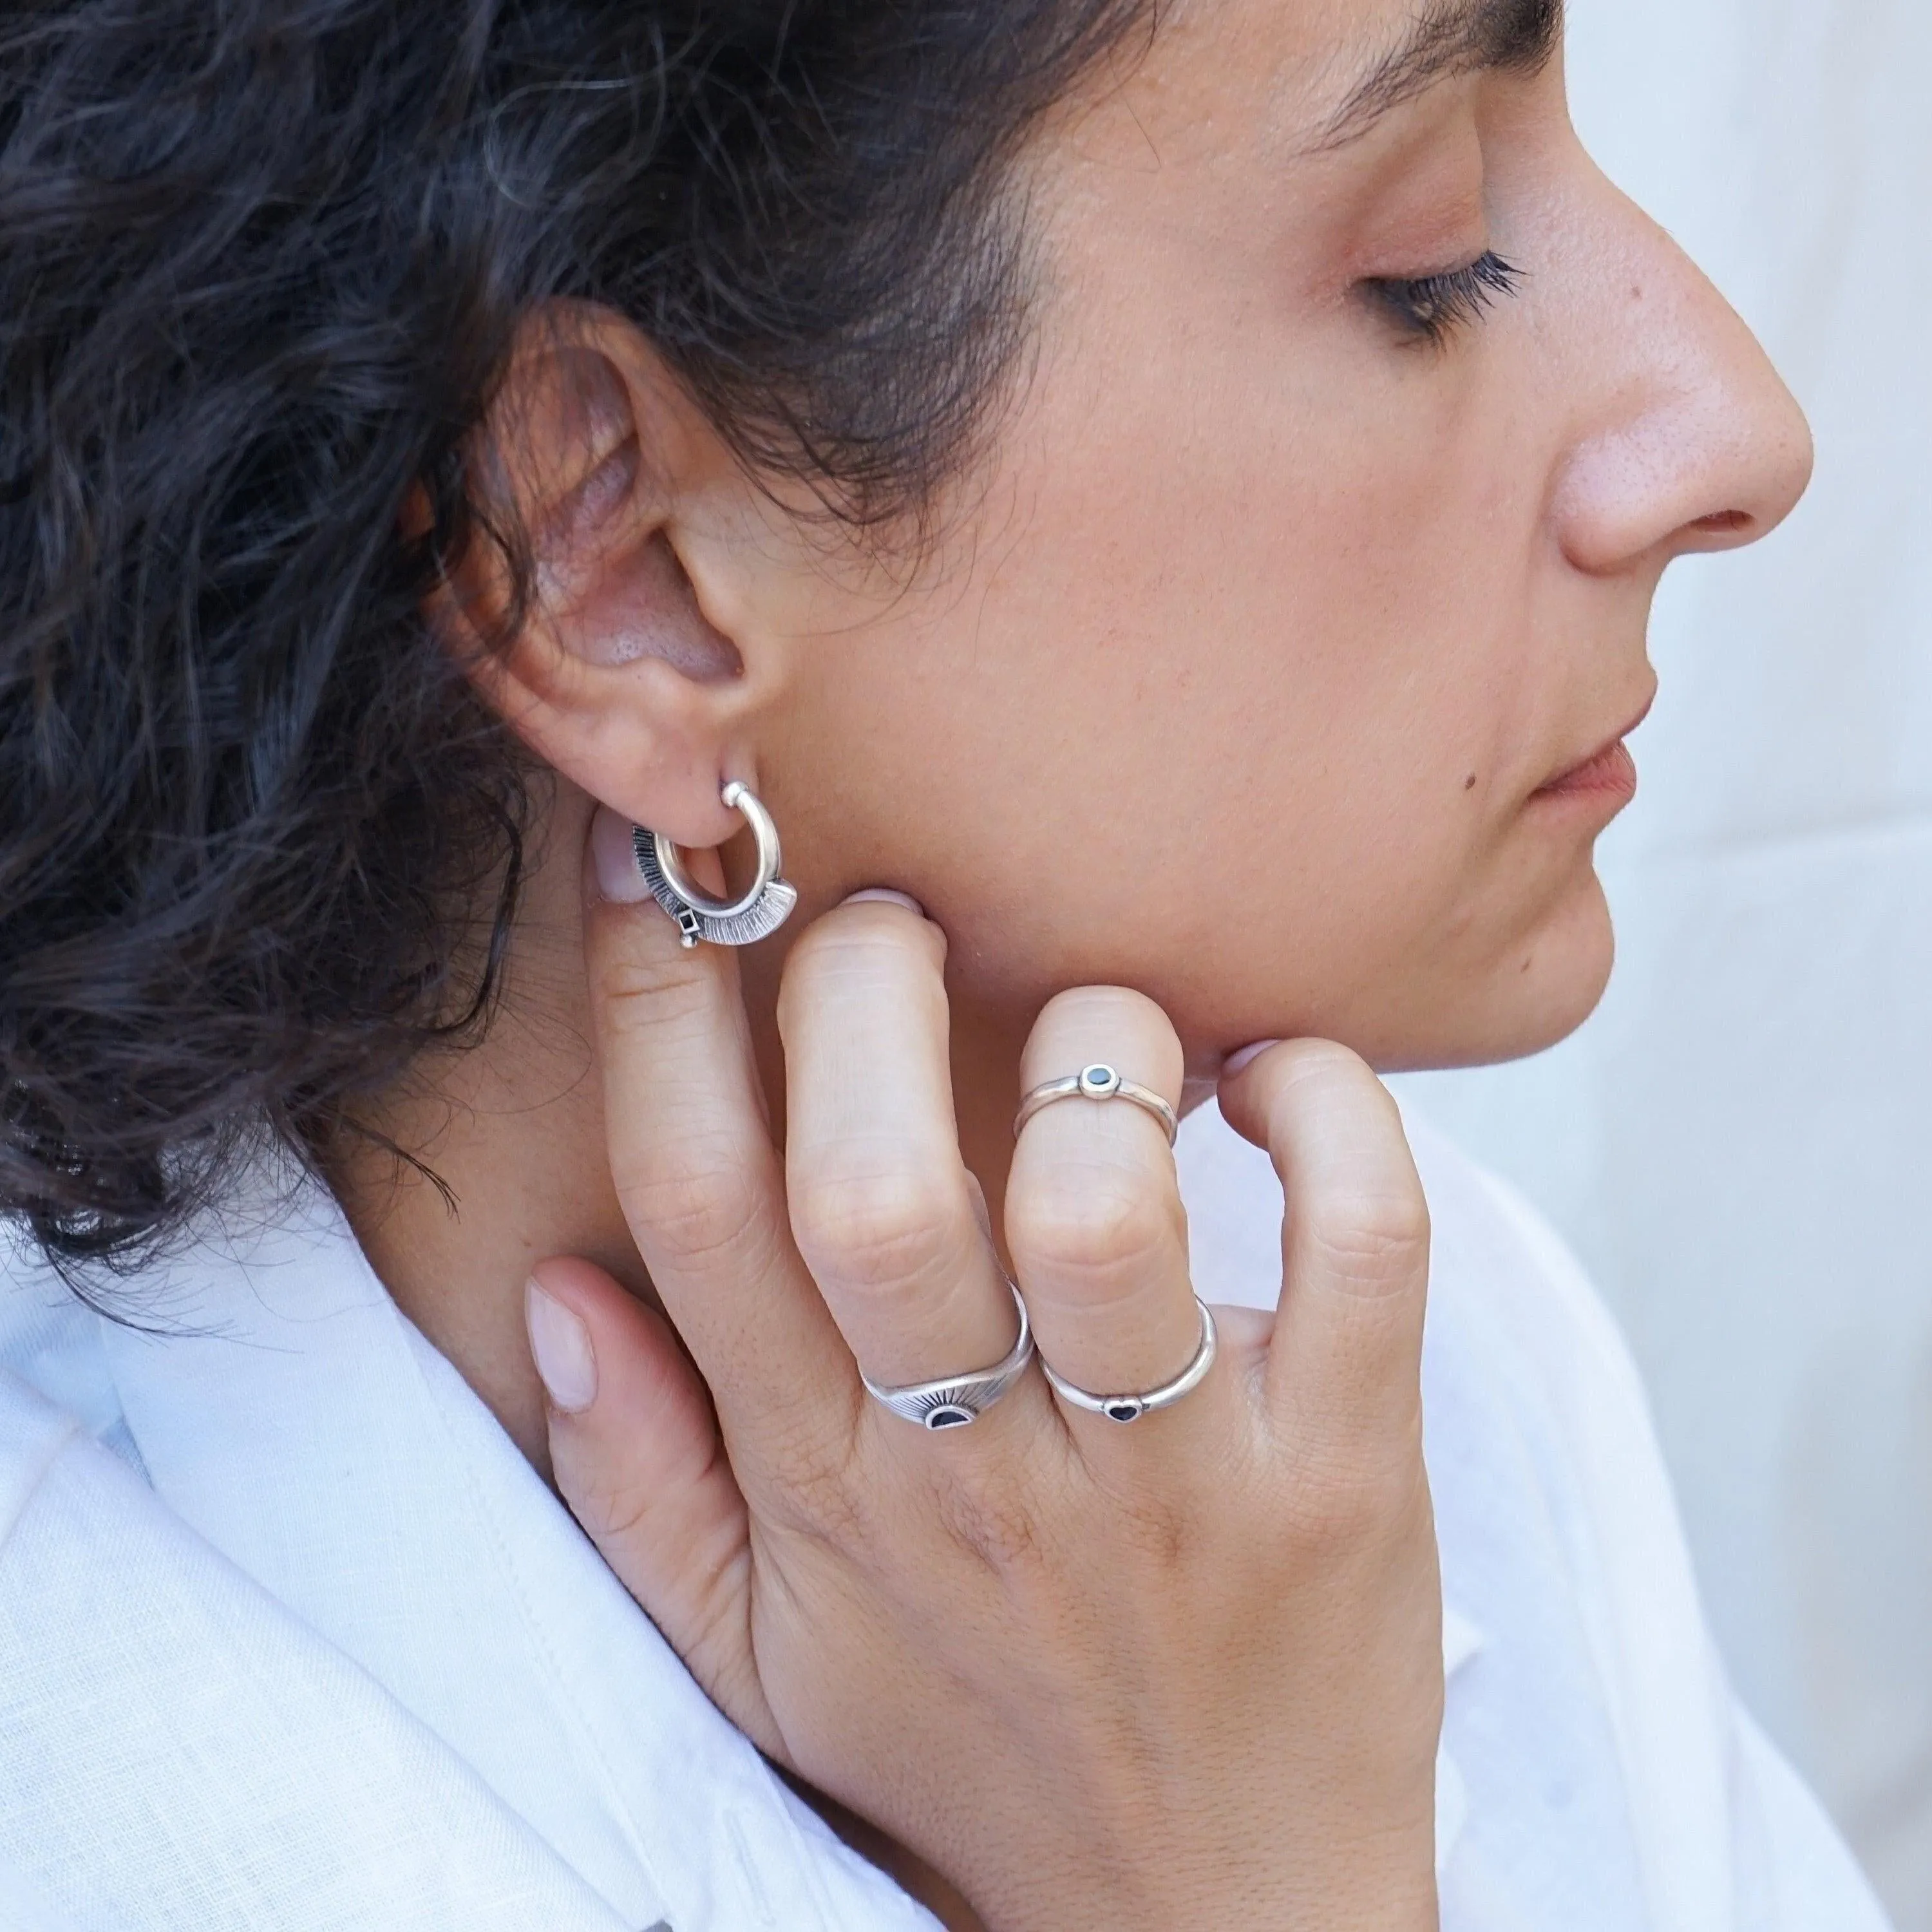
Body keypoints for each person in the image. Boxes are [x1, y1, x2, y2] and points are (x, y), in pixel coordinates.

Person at [0, 0, 1886, 1927]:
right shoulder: (91, 1783)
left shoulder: (1372, 1328)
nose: (1737, 429)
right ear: (617, 559)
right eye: (1429, 270)